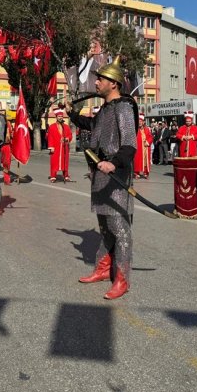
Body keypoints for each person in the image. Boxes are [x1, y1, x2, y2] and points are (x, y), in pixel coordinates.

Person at [66, 56, 137, 300]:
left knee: (120, 229)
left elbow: (129, 145)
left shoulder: (124, 108)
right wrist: (72, 115)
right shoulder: (106, 109)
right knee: (105, 227)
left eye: (100, 79)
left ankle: (122, 279)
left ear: (114, 84)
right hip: (100, 174)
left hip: (115, 176)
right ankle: (104, 268)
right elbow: (92, 125)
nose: (96, 83)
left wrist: (113, 163)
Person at [47, 108, 72, 183]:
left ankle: (66, 176)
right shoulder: (52, 127)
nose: (60, 117)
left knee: (65, 162)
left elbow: (70, 135)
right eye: (59, 116)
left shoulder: (66, 127)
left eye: (61, 116)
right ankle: (53, 176)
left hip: (64, 148)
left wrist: (67, 138)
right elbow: (50, 137)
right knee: (54, 162)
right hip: (55, 147)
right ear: (56, 117)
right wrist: (51, 147)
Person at [133, 114, 153, 179]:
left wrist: (148, 141)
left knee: (146, 161)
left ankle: (146, 173)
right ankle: (137, 173)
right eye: (138, 121)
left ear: (143, 122)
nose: (139, 123)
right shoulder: (135, 130)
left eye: (141, 121)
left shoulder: (147, 129)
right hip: (138, 148)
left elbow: (151, 137)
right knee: (137, 161)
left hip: (146, 148)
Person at [0, 108, 13, 185]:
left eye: (3, 114)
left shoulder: (8, 124)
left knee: (7, 163)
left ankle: (6, 179)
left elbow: (11, 134)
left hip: (7, 146)